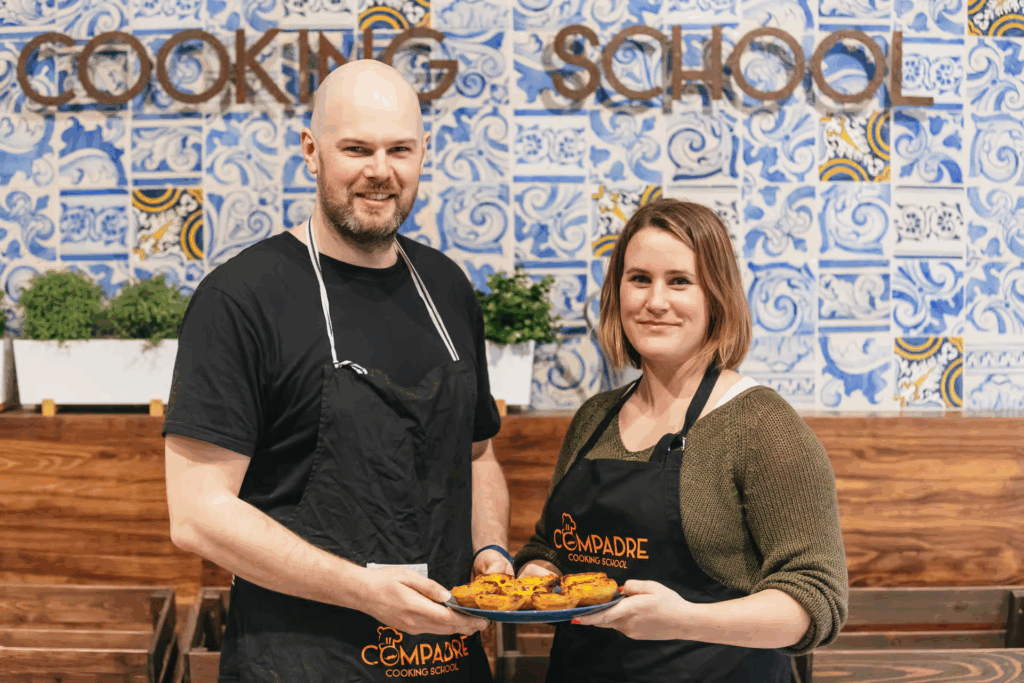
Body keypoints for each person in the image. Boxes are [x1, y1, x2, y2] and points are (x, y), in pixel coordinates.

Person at [163, 59, 514, 682]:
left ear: (423, 153)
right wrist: (362, 589)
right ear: (312, 152)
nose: (380, 171)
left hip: (448, 663)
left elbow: (478, 455)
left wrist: (489, 551)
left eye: (399, 149)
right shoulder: (242, 298)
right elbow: (197, 515)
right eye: (357, 148)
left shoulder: (448, 288)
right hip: (300, 663)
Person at [515, 198, 848, 682]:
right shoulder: (594, 419)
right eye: (639, 279)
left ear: (716, 296)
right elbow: (549, 546)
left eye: (679, 281)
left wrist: (683, 619)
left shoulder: (763, 426)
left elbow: (815, 600)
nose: (655, 302)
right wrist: (535, 577)